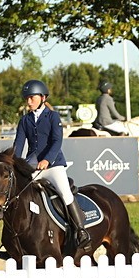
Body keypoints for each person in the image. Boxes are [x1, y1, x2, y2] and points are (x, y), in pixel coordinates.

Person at [13, 79, 91, 250]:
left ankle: (81, 231)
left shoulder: (53, 116)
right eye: (26, 98)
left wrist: (47, 160)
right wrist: (14, 162)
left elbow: (57, 141)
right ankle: (16, 234)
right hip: (33, 166)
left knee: (65, 192)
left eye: (31, 98)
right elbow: (18, 145)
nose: (28, 101)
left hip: (53, 164)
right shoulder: (24, 121)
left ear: (42, 97)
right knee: (19, 194)